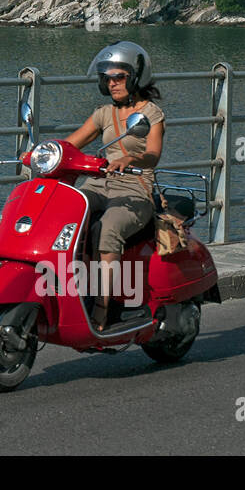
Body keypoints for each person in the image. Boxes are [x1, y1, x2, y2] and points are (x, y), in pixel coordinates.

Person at [64, 41, 165, 331]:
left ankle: (102, 308)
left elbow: (154, 155)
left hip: (135, 188)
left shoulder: (152, 114)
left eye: (119, 77)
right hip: (101, 183)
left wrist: (132, 156)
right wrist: (40, 153)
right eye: (107, 78)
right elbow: (71, 143)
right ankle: (68, 288)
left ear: (135, 78)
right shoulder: (103, 114)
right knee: (67, 210)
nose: (112, 83)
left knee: (107, 228)